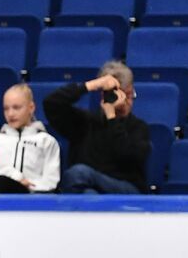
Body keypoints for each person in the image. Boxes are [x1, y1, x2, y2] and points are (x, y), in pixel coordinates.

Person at [44, 62, 150, 195]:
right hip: (88, 189)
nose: (125, 101)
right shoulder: (85, 122)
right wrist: (92, 85)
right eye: (120, 95)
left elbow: (128, 157)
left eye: (129, 95)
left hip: (125, 190)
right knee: (88, 192)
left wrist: (112, 117)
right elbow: (51, 103)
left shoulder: (139, 127)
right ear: (104, 96)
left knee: (80, 172)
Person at [0, 83, 60, 194]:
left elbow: (51, 181)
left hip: (34, 198)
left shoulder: (47, 141)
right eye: (6, 109)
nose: (11, 114)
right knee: (1, 182)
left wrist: (28, 186)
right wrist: (16, 177)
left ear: (31, 108)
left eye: (16, 107)